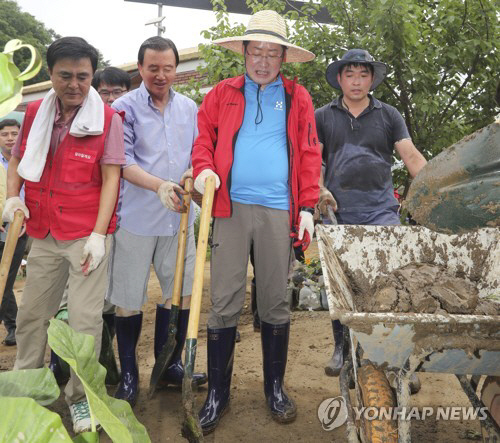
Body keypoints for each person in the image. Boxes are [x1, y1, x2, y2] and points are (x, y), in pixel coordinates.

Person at [192, 10, 321, 434]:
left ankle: (275, 388)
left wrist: (306, 206)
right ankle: (217, 393)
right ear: (243, 53)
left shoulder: (298, 97)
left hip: (277, 210)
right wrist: (205, 168)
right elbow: (203, 141)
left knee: (274, 300)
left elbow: (308, 153)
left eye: (272, 53)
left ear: (283, 57)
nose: (262, 60)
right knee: (224, 299)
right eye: (256, 51)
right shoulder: (221, 94)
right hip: (229, 207)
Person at [2, 36, 125, 434]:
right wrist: (11, 199)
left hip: (83, 237)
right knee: (32, 316)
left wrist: (99, 234)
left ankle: (80, 398)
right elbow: (17, 161)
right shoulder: (36, 111)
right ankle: (27, 389)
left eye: (83, 76)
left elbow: (111, 179)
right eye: (65, 76)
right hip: (43, 231)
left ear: (92, 75)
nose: (74, 84)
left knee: (84, 324)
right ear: (50, 74)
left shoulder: (107, 119)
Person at [315, 49, 427, 380]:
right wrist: (319, 189)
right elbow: (316, 162)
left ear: (372, 79)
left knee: (390, 280)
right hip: (338, 211)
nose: (357, 81)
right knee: (340, 285)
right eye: (350, 75)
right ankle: (342, 348)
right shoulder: (323, 116)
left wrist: (436, 185)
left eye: (363, 75)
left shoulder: (389, 115)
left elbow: (411, 156)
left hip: (381, 210)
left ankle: (396, 354)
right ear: (340, 79)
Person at [107, 36, 207, 408]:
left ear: (176, 69)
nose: (161, 75)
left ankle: (168, 366)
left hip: (179, 219)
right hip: (136, 216)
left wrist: (194, 172)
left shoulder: (189, 107)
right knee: (128, 299)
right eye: (153, 68)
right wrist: (159, 185)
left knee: (177, 293)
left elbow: (198, 151)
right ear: (141, 69)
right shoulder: (123, 107)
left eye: (168, 68)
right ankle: (130, 375)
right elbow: (123, 161)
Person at [48, 66, 132, 385]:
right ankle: (60, 362)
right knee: (70, 301)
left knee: (103, 301)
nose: (111, 97)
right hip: (83, 229)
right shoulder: (82, 124)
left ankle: (104, 363)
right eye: (105, 91)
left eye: (118, 91)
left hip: (121, 225)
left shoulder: (123, 122)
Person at [0, 118, 27, 346]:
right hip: (2, 226)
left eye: (14, 134)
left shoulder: (28, 162)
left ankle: (16, 326)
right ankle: (13, 326)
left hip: (26, 227)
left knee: (6, 278)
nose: (10, 138)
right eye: (4, 134)